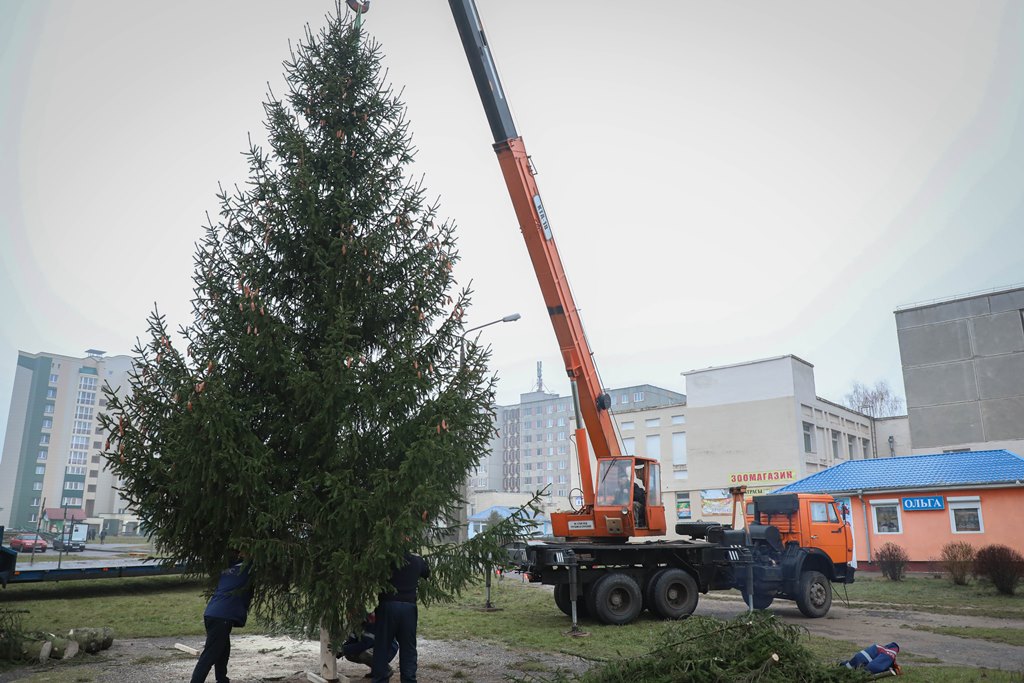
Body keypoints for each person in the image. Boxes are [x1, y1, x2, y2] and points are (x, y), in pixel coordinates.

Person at [190, 553, 253, 683]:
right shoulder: (247, 569)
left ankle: (222, 679)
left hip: (212, 613)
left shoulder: (228, 570)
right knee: (210, 654)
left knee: (223, 650)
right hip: (222, 616)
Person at [371, 551, 430, 683]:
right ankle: (409, 680)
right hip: (408, 607)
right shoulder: (416, 560)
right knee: (408, 648)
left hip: (387, 605)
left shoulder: (384, 558)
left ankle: (380, 679)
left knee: (382, 646)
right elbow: (426, 572)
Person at [338, 613, 398, 678]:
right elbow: (351, 641)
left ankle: (385, 669)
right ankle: (376, 671)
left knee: (365, 655)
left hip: (389, 649)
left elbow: (364, 645)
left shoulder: (371, 623)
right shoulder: (357, 625)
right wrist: (339, 650)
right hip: (375, 647)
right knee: (349, 654)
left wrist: (343, 649)